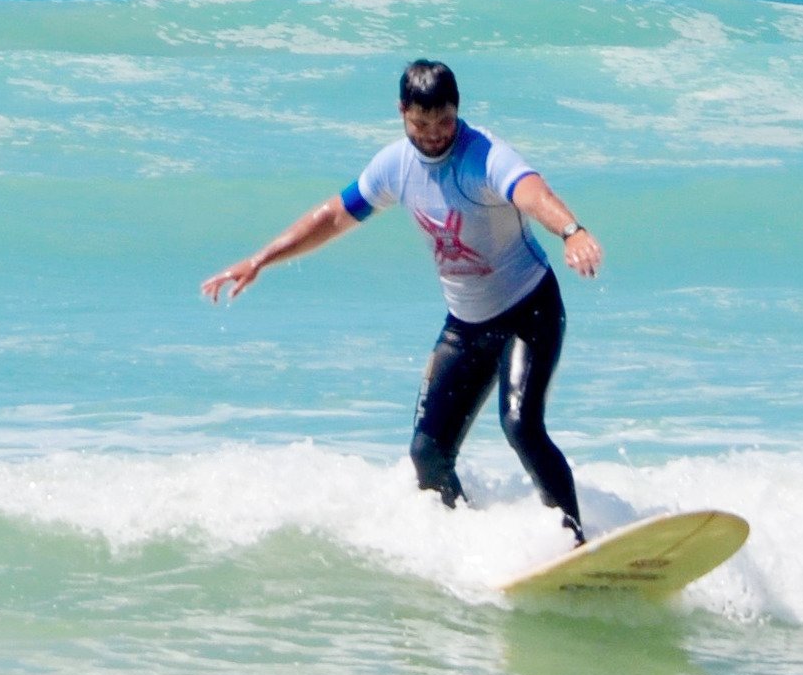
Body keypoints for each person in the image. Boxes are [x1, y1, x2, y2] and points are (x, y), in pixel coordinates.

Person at [201, 60, 604, 544]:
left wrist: (571, 230)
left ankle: (576, 542)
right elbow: (333, 216)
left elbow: (531, 191)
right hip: (466, 325)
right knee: (427, 456)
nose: (434, 135)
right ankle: (466, 541)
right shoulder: (395, 165)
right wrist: (261, 259)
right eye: (420, 124)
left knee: (520, 425)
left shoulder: (484, 155)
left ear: (458, 111)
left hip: (528, 311)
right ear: (401, 112)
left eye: (444, 122)